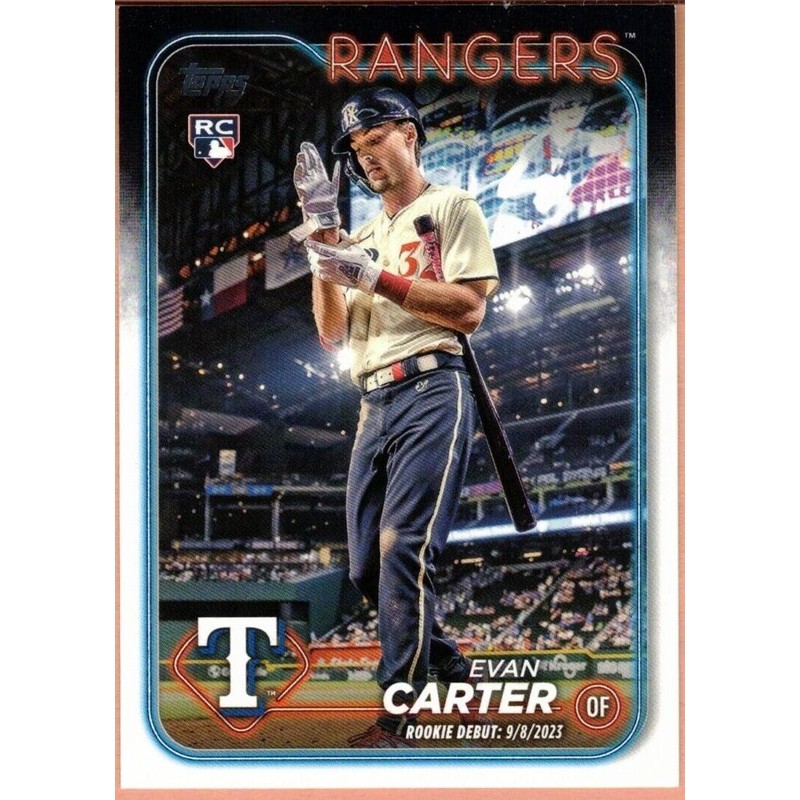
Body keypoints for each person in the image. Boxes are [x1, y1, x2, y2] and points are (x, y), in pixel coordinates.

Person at [293, 87, 498, 748]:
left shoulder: (452, 207)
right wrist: (323, 241)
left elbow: (469, 310)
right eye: (356, 149)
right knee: (363, 569)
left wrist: (375, 278)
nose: (365, 156)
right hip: (372, 402)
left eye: (375, 139)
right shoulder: (360, 237)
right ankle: (452, 669)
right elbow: (331, 333)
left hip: (434, 386)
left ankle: (397, 716)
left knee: (402, 548)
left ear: (409, 133)